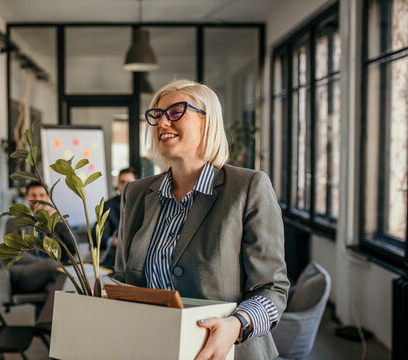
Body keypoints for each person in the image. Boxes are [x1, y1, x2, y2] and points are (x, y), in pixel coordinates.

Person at [114, 80, 289, 360]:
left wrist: (237, 324)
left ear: (208, 122)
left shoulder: (248, 187)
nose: (162, 123)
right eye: (157, 115)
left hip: (228, 351)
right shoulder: (135, 194)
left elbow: (272, 289)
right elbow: (124, 281)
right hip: (152, 347)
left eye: (175, 112)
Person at [4, 181, 76, 294]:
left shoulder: (54, 221)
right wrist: (45, 263)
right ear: (27, 197)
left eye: (42, 195)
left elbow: (73, 248)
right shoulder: (13, 223)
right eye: (33, 195)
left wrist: (60, 222)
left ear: (47, 198)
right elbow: (14, 253)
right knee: (54, 267)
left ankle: (51, 310)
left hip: (52, 271)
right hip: (24, 273)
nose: (38, 199)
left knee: (52, 289)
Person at [95, 167, 138, 270]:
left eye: (129, 182)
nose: (125, 186)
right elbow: (98, 236)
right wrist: (117, 241)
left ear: (137, 184)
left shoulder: (145, 204)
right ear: (118, 184)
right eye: (122, 182)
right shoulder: (108, 206)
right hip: (114, 258)